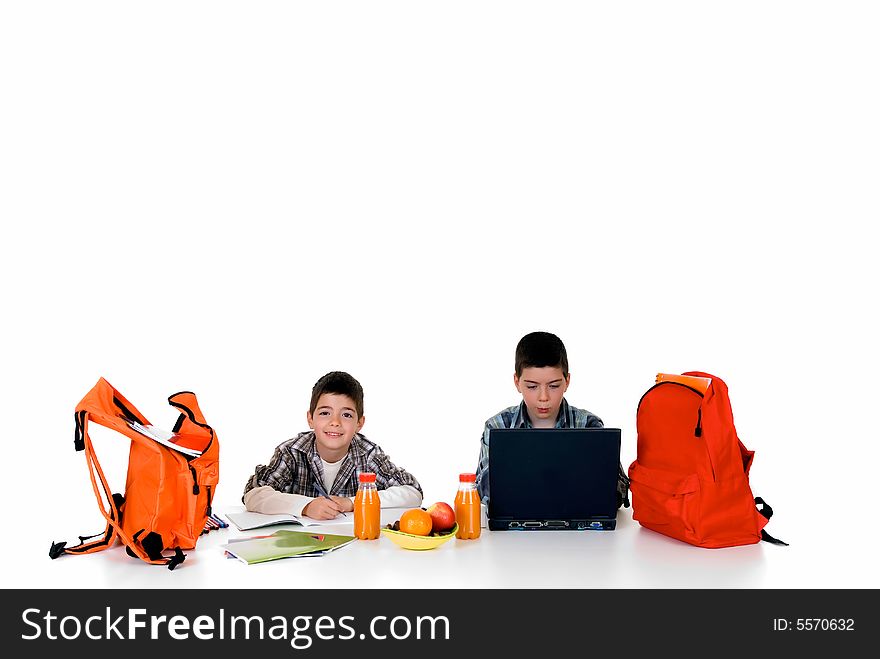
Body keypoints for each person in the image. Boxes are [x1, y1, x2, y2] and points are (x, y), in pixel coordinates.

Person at [475, 331, 630, 508]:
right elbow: (483, 492)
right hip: (514, 528)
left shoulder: (589, 425)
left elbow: (618, 489)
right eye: (532, 386)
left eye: (554, 386)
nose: (543, 397)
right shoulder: (497, 426)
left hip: (577, 524)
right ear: (517, 382)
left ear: (567, 381)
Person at [243, 371, 423, 519]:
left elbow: (412, 492)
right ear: (310, 419)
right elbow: (253, 494)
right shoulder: (292, 452)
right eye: (325, 413)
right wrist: (306, 506)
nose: (335, 422)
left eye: (346, 415)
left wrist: (354, 502)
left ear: (359, 423)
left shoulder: (368, 454)